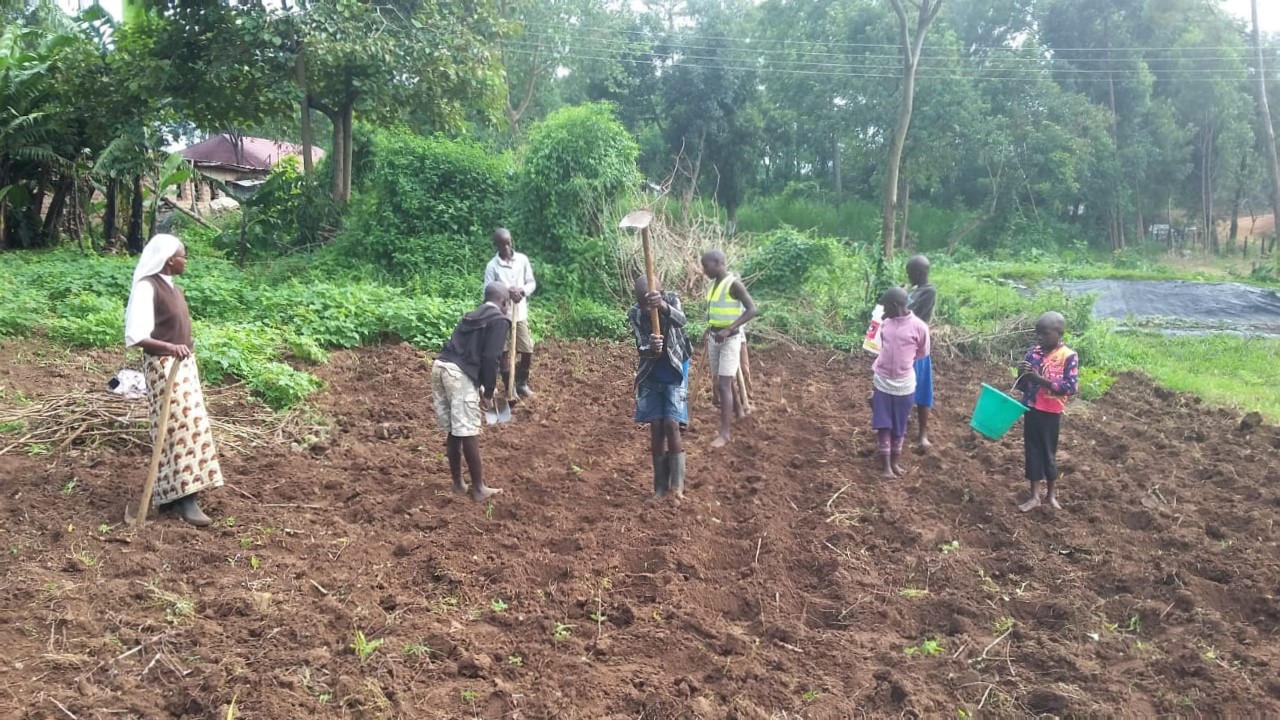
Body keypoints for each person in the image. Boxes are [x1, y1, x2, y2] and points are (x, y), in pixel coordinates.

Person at [124, 234, 224, 527]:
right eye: (183, 256)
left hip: (182, 366)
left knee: (191, 425)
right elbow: (136, 336)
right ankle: (185, 500)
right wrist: (170, 348)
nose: (186, 260)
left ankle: (171, 496)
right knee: (179, 428)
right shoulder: (147, 287)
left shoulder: (173, 289)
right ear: (169, 260)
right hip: (163, 368)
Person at [431, 282, 512, 501]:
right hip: (458, 374)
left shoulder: (472, 315)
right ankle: (478, 488)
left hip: (440, 367)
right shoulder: (500, 320)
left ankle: (458, 483)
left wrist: (480, 384)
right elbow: (490, 357)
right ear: (504, 302)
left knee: (454, 430)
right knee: (467, 429)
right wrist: (488, 391)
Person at [628, 275, 692, 499]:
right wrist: (650, 347)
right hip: (651, 370)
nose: (647, 310)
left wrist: (663, 307)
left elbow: (682, 321)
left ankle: (677, 488)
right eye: (643, 304)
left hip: (675, 366)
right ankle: (660, 488)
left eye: (650, 303)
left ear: (661, 294)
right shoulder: (634, 313)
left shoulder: (672, 299)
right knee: (656, 426)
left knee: (672, 423)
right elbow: (640, 345)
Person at [1015, 311, 1079, 512]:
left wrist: (1038, 379)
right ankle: (1034, 496)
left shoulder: (1068, 356)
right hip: (1032, 408)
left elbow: (1070, 387)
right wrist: (1022, 374)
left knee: (1048, 453)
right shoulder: (1033, 354)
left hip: (1051, 412)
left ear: (1059, 333)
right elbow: (1024, 386)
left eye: (1044, 334)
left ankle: (1051, 495)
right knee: (1032, 451)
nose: (1040, 338)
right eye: (1038, 334)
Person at [870, 287, 930, 478]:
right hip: (882, 381)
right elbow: (882, 346)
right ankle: (886, 466)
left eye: (885, 306)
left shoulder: (920, 327)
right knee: (883, 423)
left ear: (895, 305)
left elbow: (922, 352)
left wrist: (904, 364)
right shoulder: (885, 324)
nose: (883, 311)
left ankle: (895, 463)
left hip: (904, 384)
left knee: (899, 425)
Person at [701, 249, 758, 448]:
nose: (703, 270)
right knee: (722, 380)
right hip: (714, 338)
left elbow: (752, 309)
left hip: (730, 340)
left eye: (706, 266)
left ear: (718, 263)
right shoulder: (711, 285)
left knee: (724, 384)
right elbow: (715, 311)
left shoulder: (734, 284)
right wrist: (709, 329)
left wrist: (729, 329)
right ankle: (739, 411)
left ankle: (724, 434)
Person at [482, 228, 537, 398]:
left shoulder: (522, 260)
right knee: (503, 352)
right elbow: (487, 290)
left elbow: (531, 283)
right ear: (496, 245)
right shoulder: (492, 266)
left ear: (511, 241)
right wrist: (506, 292)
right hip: (500, 316)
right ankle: (509, 387)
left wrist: (521, 291)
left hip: (519, 313)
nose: (506, 247)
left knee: (527, 349)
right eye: (502, 244)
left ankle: (522, 383)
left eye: (508, 243)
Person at [906, 255, 937, 448]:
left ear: (918, 273)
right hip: (904, 345)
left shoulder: (929, 292)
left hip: (917, 347)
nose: (908, 277)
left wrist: (900, 297)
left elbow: (909, 313)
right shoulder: (916, 290)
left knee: (922, 389)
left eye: (910, 274)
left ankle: (922, 434)